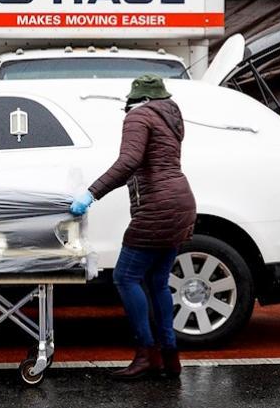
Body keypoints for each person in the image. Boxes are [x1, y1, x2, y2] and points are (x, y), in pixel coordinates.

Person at [70, 74, 196, 380]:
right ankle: (170, 357)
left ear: (135, 100)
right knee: (157, 282)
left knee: (126, 277)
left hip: (158, 208)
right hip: (181, 203)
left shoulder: (139, 116)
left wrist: (92, 193)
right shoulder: (171, 116)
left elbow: (128, 162)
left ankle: (146, 355)